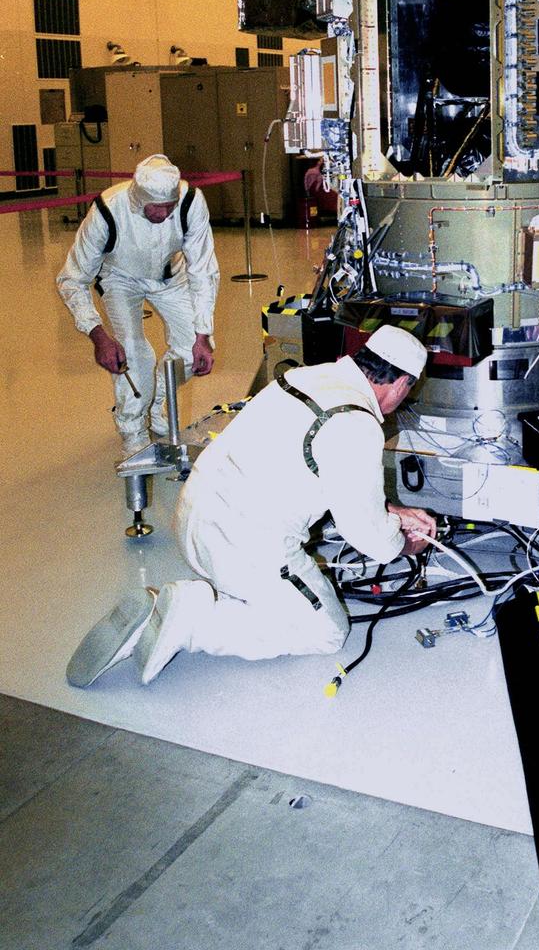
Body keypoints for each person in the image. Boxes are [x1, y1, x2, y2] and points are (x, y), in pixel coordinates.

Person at [66, 325, 437, 688]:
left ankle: (159, 620)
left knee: (272, 594)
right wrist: (406, 542)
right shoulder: (357, 423)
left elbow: (336, 473)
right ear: (402, 383)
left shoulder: (307, 377)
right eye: (408, 389)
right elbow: (370, 539)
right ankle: (194, 621)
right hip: (242, 548)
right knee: (326, 630)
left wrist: (392, 511)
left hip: (194, 521)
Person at [57, 154, 219, 457]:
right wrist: (99, 336)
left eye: (169, 207)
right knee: (134, 353)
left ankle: (156, 400)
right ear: (138, 200)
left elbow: (204, 270)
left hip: (171, 276)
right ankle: (132, 428)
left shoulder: (190, 201)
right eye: (156, 207)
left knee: (190, 351)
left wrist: (202, 334)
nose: (164, 213)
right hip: (121, 278)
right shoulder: (107, 211)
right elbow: (72, 279)